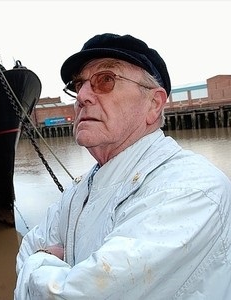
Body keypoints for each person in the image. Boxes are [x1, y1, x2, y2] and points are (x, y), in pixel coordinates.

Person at [15, 33, 231, 299]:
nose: (82, 96)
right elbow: (26, 248)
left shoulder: (191, 189)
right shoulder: (79, 191)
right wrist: (47, 264)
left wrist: (39, 261)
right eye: (79, 84)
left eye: (105, 80)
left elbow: (73, 294)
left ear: (154, 104)